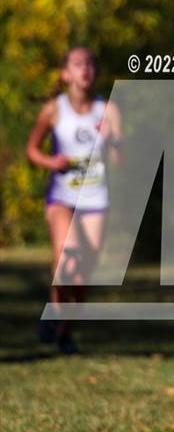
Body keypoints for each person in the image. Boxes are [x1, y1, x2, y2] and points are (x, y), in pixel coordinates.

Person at [26, 46, 122, 354]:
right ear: (65, 73)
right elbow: (33, 150)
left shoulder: (107, 109)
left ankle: (64, 332)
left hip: (96, 197)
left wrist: (111, 140)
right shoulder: (54, 109)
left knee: (82, 275)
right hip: (62, 196)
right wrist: (51, 162)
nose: (85, 69)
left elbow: (122, 161)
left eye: (90, 64)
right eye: (78, 64)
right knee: (68, 257)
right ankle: (55, 311)